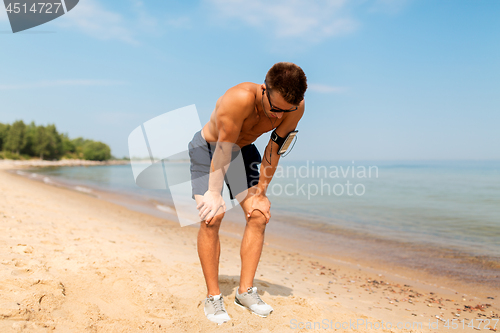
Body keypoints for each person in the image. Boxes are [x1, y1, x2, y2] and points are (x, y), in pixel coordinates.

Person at [188, 62, 307, 324]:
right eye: (274, 109)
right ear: (264, 90)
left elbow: (274, 149)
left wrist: (261, 193)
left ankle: (245, 292)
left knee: (258, 214)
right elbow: (223, 148)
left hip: (243, 151)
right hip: (209, 148)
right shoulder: (238, 99)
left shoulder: (294, 107)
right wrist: (214, 193)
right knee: (212, 216)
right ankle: (213, 296)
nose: (277, 117)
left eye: (284, 111)